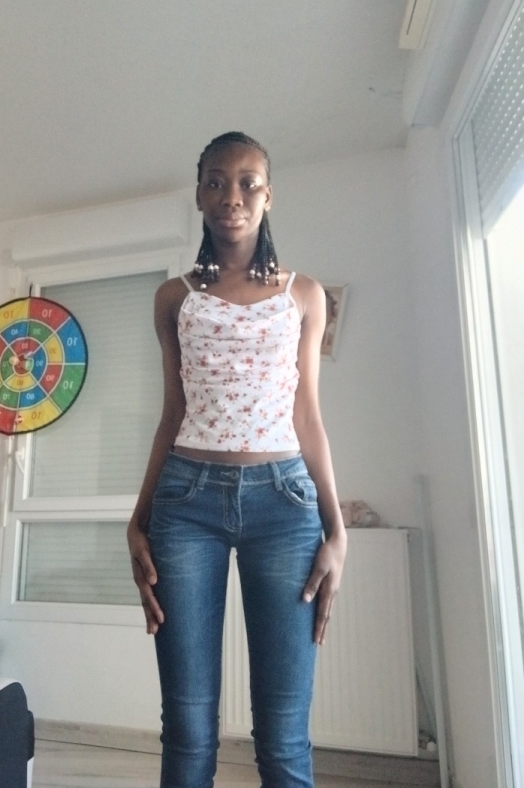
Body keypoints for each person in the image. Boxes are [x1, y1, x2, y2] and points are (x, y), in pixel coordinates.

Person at [127, 131, 347, 788]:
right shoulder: (173, 298)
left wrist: (337, 532)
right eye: (216, 182)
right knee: (188, 727)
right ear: (199, 196)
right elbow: (172, 412)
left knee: (283, 733)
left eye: (248, 183)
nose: (232, 196)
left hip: (284, 505)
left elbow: (308, 416)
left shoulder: (304, 295)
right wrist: (138, 519)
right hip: (185, 503)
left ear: (268, 196)